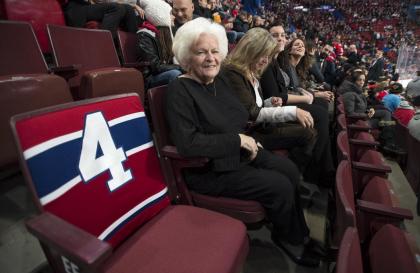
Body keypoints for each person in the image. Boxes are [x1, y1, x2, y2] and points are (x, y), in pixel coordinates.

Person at [165, 17, 321, 267]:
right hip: (210, 169)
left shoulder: (218, 82)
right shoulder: (178, 90)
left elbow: (242, 115)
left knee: (289, 170)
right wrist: (237, 139)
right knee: (279, 185)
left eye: (215, 51)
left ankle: (297, 231)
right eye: (201, 52)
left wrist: (244, 138)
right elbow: (188, 144)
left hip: (238, 154)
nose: (211, 58)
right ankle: (289, 237)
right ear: (185, 57)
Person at [220, 28, 318, 175]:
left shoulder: (251, 71)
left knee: (309, 130)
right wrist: (293, 112)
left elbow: (252, 104)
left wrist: (269, 102)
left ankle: (295, 172)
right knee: (307, 134)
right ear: (250, 50)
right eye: (263, 55)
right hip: (249, 134)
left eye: (269, 56)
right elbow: (251, 113)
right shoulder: (233, 73)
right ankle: (293, 173)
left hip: (260, 127)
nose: (266, 61)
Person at [260, 24, 335, 186]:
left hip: (280, 105)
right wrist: (308, 98)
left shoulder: (277, 62)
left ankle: (325, 169)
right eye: (275, 35)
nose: (280, 38)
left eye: (282, 35)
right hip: (273, 114)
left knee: (321, 108)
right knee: (321, 113)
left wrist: (310, 95)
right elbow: (277, 96)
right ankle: (317, 171)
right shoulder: (270, 63)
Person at [136, 1, 182, 88]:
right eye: (170, 14)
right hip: (151, 77)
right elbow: (155, 67)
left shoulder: (167, 33)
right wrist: (180, 67)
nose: (173, 17)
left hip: (164, 72)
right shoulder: (144, 35)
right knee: (175, 74)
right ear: (160, 14)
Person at [62, 0, 138, 38]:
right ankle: (103, 44)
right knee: (117, 8)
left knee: (129, 8)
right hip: (76, 8)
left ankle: (135, 54)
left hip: (89, 6)